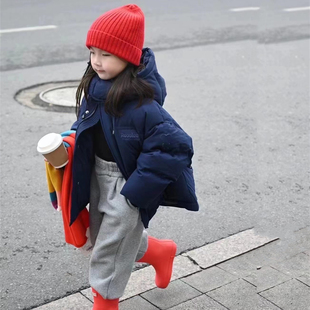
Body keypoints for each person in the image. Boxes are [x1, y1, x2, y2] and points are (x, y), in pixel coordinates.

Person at [70, 4, 199, 309]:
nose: (96, 61)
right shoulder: (96, 89)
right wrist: (68, 144)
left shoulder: (142, 104)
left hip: (128, 185)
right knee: (107, 239)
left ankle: (105, 303)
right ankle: (160, 252)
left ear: (127, 56)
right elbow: (84, 127)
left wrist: (134, 196)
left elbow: (175, 146)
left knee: (108, 255)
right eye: (92, 52)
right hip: (98, 178)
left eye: (106, 54)